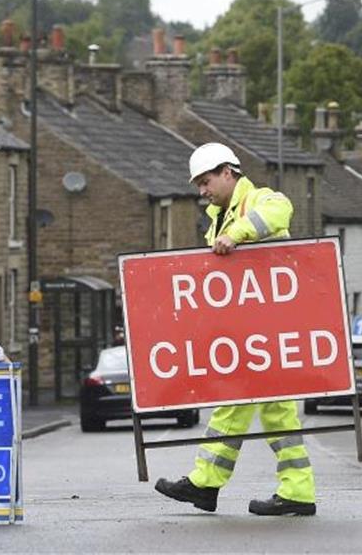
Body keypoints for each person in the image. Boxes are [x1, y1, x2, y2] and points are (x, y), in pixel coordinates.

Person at [154, 142, 316, 517]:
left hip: (268, 330)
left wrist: (239, 233)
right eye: (198, 185)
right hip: (248, 333)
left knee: (239, 406)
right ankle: (296, 491)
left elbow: (281, 210)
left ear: (228, 172)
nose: (202, 191)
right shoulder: (217, 218)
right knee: (274, 415)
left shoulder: (256, 200)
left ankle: (206, 483)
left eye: (206, 181)